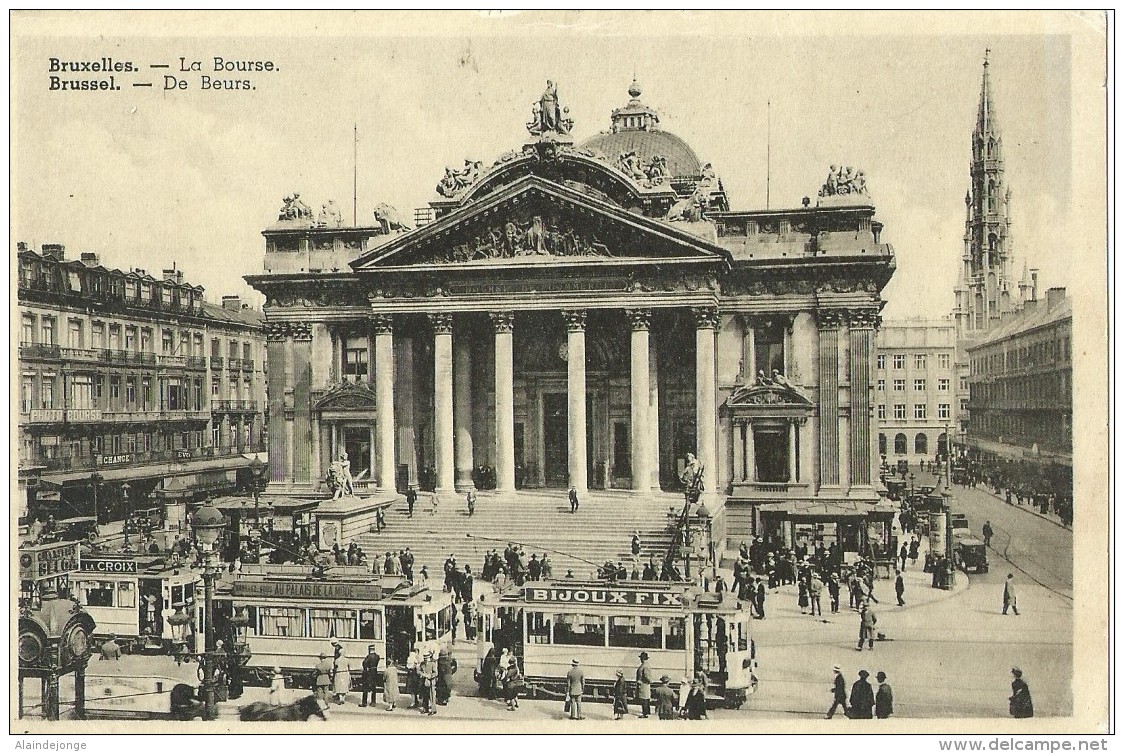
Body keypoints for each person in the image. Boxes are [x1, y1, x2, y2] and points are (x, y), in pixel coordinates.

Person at [331, 641, 352, 705]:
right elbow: (349, 667)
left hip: (339, 673)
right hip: (345, 673)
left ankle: (340, 698)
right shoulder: (347, 660)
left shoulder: (337, 660)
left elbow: (335, 666)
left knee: (339, 686)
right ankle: (343, 698)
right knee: (344, 685)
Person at [419, 650, 438, 715]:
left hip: (431, 681)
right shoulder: (422, 664)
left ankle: (433, 709)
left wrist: (430, 676)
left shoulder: (433, 664)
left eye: (427, 658)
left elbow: (435, 673)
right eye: (424, 658)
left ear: (429, 657)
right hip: (424, 681)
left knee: (432, 696)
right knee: (425, 696)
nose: (426, 659)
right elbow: (419, 671)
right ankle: (425, 708)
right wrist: (422, 674)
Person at [635, 651, 653, 717]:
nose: (640, 659)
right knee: (646, 698)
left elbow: (646, 675)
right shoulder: (646, 665)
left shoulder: (644, 666)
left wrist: (641, 682)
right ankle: (647, 711)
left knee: (644, 698)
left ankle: (645, 713)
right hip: (645, 684)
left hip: (644, 684)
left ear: (642, 658)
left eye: (641, 658)